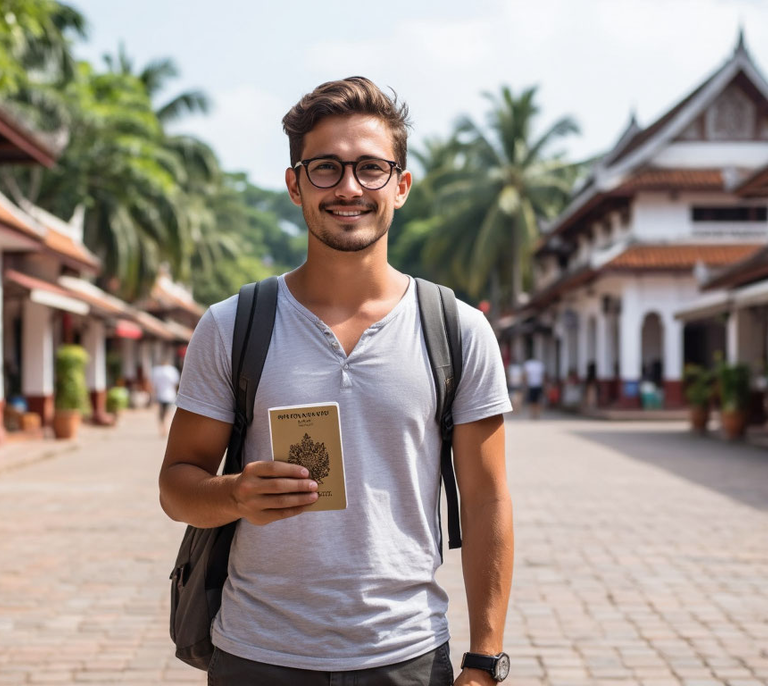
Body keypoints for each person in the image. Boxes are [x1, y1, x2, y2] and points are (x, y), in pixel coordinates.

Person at [159, 77, 514, 686]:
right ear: (295, 183)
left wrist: (484, 661)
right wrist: (235, 495)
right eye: (325, 168)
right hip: (256, 653)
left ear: (400, 186)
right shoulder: (232, 326)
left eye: (371, 168)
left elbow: (486, 500)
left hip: (407, 654)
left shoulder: (456, 330)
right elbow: (176, 486)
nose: (349, 187)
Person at [151, 354, 180, 439]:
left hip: (159, 395)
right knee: (168, 413)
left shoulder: (156, 371)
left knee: (161, 413)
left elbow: (153, 384)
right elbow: (175, 383)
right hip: (170, 395)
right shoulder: (171, 370)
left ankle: (162, 428)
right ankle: (166, 429)